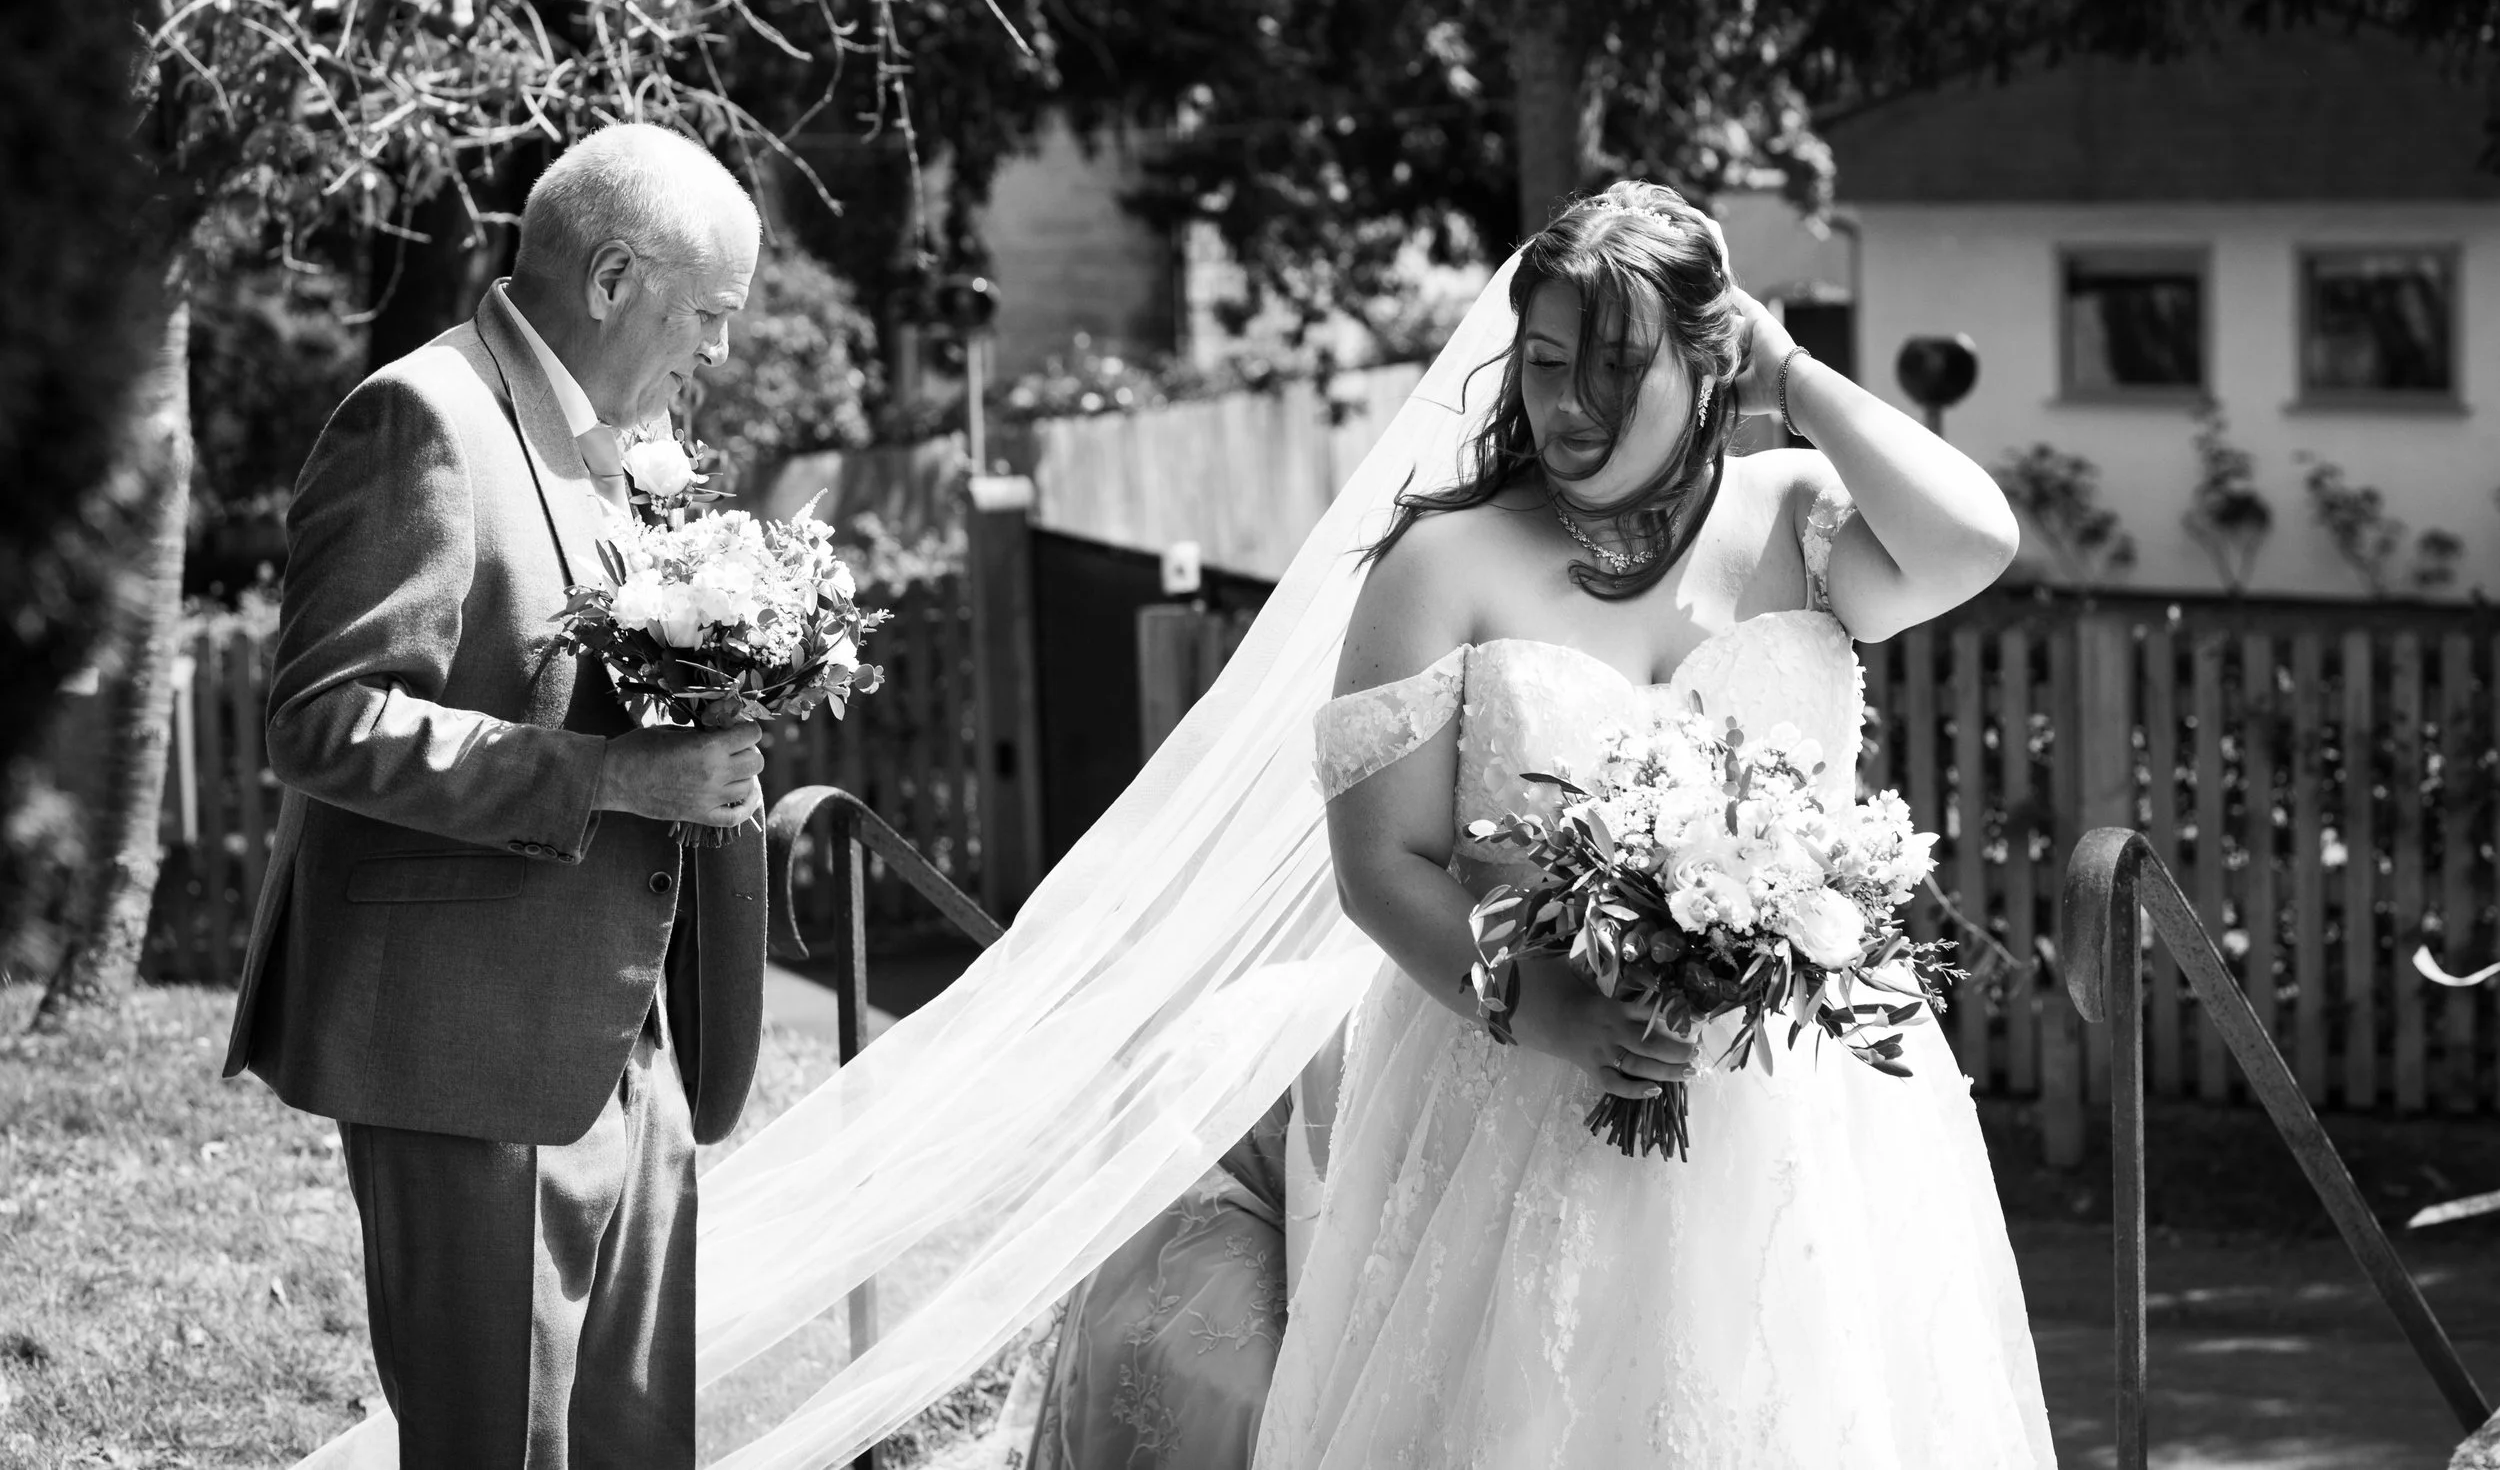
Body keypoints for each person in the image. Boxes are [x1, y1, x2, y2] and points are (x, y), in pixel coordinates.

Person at [681, 185, 2048, 1469]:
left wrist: (1798, 375)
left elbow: (1974, 541)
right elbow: (1376, 862)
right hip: (1521, 1087)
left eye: (1616, 368)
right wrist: (1549, 1010)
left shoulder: (1797, 520)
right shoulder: (1444, 562)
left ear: (1711, 363)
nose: (1570, 403)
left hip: (1800, 1112)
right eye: (1548, 360)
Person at [225, 122, 772, 1469]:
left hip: (629, 1035)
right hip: (472, 1039)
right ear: (609, 281)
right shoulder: (424, 418)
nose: (718, 354)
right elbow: (321, 718)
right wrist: (617, 775)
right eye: (706, 315)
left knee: (634, 1443)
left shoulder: (618, 445)